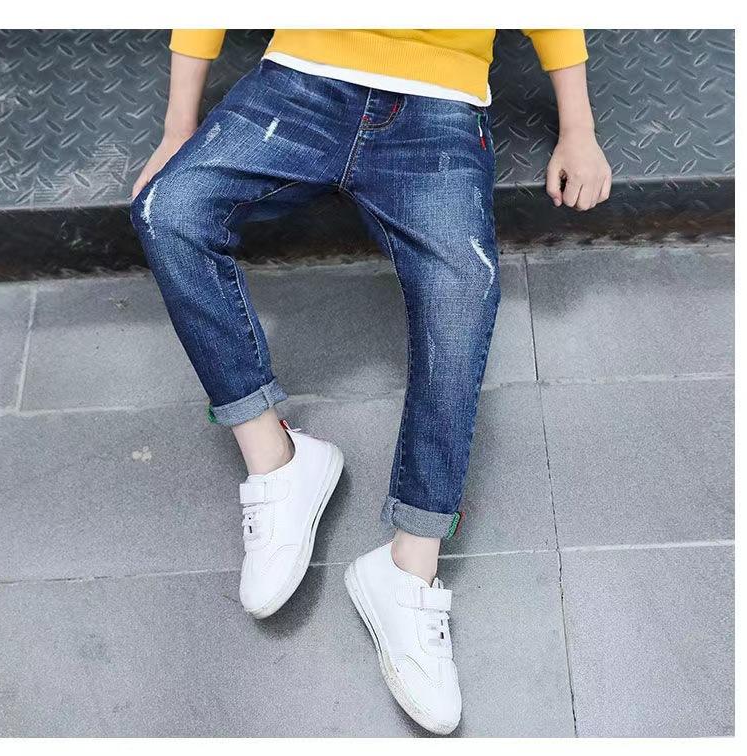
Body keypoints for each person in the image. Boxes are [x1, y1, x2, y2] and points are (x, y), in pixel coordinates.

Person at [130, 28, 611, 735]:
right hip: (301, 75)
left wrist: (578, 128)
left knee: (465, 288)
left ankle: (407, 570)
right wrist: (179, 128)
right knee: (167, 209)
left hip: (439, 101)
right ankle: (278, 460)